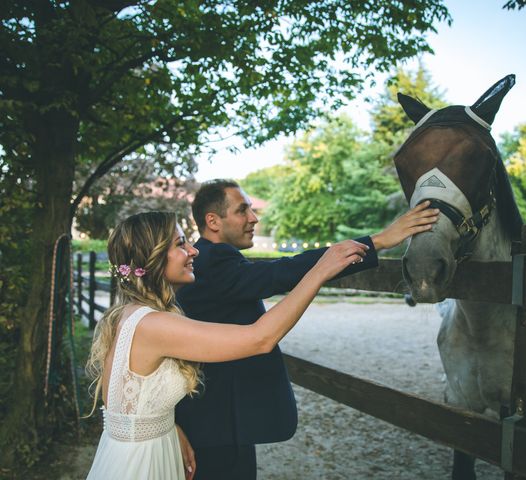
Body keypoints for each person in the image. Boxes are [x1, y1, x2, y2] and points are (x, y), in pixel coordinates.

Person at [175, 179, 439, 479]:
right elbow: (281, 271)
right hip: (215, 425)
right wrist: (378, 240)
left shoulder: (210, 260)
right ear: (213, 221)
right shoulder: (212, 261)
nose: (254, 218)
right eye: (242, 210)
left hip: (218, 417)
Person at [85, 211, 372, 480]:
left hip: (145, 447)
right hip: (142, 464)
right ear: (154, 257)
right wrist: (319, 271)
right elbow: (260, 338)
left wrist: (167, 426)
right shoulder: (153, 324)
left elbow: (121, 401)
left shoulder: (128, 314)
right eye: (180, 244)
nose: (194, 250)